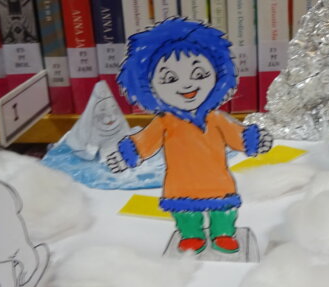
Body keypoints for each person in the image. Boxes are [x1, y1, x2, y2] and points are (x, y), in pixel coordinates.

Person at [108, 18, 272, 253]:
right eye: (170, 79)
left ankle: (223, 233)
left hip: (217, 183)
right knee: (185, 213)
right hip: (181, 185)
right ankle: (192, 234)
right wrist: (126, 156)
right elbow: (144, 143)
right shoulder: (165, 122)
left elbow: (238, 137)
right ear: (147, 86)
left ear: (218, 74)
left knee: (223, 210)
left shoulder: (216, 119)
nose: (187, 85)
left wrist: (255, 141)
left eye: (199, 74)